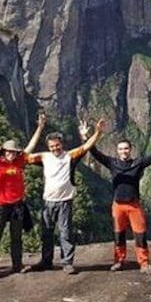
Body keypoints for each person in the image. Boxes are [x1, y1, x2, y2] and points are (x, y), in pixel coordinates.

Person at [85, 120, 151, 275]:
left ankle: (144, 263)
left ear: (130, 150)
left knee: (140, 235)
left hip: (134, 205)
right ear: (117, 150)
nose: (123, 151)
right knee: (118, 234)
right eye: (121, 149)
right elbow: (94, 152)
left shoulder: (138, 163)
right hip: (118, 205)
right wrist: (86, 136)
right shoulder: (112, 163)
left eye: (126, 148)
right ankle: (119, 260)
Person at [0, 113, 47, 280]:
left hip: (17, 205)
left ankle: (17, 266)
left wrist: (40, 127)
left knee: (16, 237)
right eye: (8, 151)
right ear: (4, 152)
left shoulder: (19, 161)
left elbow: (30, 147)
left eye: (13, 151)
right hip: (0, 206)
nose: (11, 154)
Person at [28, 117, 103, 274]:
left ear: (62, 144)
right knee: (46, 233)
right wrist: (40, 127)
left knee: (65, 232)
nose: (55, 148)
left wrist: (98, 132)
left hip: (65, 201)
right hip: (48, 201)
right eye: (52, 146)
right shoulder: (44, 157)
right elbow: (24, 156)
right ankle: (46, 261)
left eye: (57, 145)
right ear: (48, 147)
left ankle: (67, 262)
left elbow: (86, 147)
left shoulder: (70, 156)